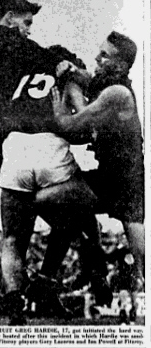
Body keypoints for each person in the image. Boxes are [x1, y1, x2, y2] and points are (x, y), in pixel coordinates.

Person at [0, 0, 110, 324]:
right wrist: (66, 68)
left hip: (5, 143)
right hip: (43, 146)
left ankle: (15, 301)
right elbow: (76, 119)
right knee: (80, 213)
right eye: (26, 22)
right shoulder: (25, 50)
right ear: (9, 18)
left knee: (14, 237)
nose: (29, 30)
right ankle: (83, 274)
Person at [51, 31, 145, 297]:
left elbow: (71, 126)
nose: (97, 57)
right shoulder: (108, 86)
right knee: (63, 196)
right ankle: (94, 265)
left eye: (105, 55)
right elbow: (87, 78)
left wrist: (60, 110)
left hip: (127, 179)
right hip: (110, 174)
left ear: (122, 65)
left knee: (143, 260)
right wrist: (72, 71)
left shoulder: (116, 93)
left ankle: (95, 266)